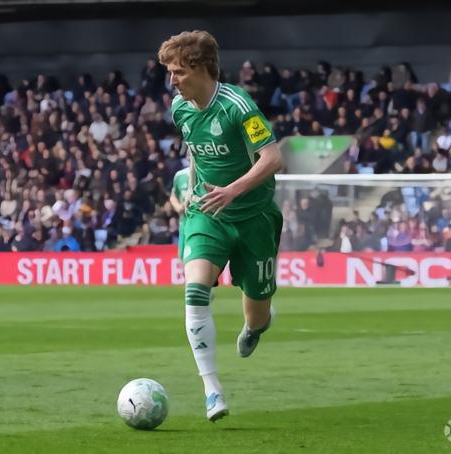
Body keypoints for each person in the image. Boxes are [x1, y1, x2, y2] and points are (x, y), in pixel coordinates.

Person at [158, 30, 284, 422]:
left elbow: (273, 158)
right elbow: (195, 152)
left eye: (178, 72)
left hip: (254, 217)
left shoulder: (237, 105)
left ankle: (257, 325)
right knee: (195, 290)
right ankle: (212, 390)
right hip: (206, 214)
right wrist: (193, 189)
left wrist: (232, 190)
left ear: (201, 69)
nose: (172, 80)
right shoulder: (180, 108)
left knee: (257, 310)